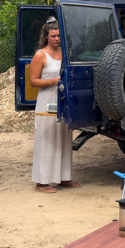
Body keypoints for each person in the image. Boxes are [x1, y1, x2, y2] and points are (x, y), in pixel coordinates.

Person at [28, 18, 80, 193]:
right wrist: (53, 81)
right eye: (53, 36)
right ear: (46, 36)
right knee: (47, 140)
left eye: (59, 35)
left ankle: (64, 178)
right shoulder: (40, 55)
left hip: (63, 101)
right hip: (47, 101)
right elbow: (33, 81)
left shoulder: (65, 53)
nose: (57, 39)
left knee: (64, 139)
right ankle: (41, 182)